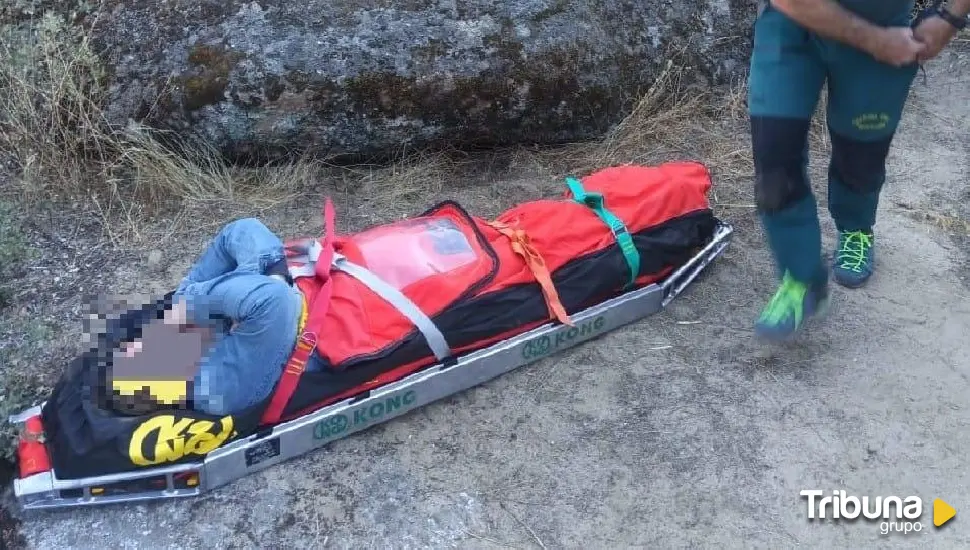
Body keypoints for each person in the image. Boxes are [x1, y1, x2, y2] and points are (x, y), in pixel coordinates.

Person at [748, 0, 969, 340]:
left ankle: (856, 228)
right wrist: (875, 41)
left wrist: (950, 17)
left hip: (883, 19)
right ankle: (801, 276)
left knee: (861, 152)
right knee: (774, 159)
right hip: (792, 24)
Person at [107, 218, 314, 415]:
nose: (130, 345)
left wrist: (269, 278)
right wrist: (188, 306)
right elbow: (273, 301)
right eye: (134, 356)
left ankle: (265, 277)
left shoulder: (182, 341)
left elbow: (241, 231)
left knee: (243, 232)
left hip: (271, 292)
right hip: (306, 317)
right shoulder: (221, 390)